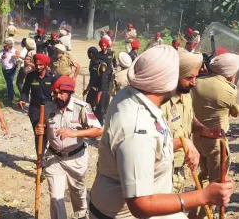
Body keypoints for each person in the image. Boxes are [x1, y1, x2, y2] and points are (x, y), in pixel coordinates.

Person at [89, 45, 234, 219]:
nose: (194, 82)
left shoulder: (134, 95)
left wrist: (192, 137)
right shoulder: (138, 129)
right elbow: (140, 205)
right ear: (171, 80)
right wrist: (204, 196)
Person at [35, 75, 103, 219]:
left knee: (78, 194)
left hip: (76, 159)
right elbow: (44, 130)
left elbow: (98, 130)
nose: (58, 96)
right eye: (55, 93)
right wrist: (40, 129)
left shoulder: (82, 107)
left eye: (61, 93)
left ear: (70, 93)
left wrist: (75, 133)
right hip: (54, 158)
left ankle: (81, 216)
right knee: (55, 197)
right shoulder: (47, 108)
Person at [161, 50, 220, 194]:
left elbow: (189, 120)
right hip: (162, 173)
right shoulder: (161, 103)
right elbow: (154, 146)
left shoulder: (186, 95)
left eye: (196, 77)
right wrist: (182, 142)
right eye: (189, 78)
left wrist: (205, 130)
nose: (194, 83)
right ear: (176, 75)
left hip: (179, 171)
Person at [191, 53, 239, 219]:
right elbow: (235, 112)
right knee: (217, 181)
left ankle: (194, 212)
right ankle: (206, 214)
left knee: (202, 176)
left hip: (197, 137)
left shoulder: (197, 82)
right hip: (216, 142)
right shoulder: (229, 91)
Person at [18, 54, 58, 157]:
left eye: (41, 65)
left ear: (45, 65)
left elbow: (59, 91)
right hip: (35, 109)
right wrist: (23, 99)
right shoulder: (31, 76)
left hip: (49, 110)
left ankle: (50, 156)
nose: (38, 67)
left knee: (50, 133)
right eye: (36, 64)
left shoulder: (52, 77)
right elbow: (25, 90)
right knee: (39, 133)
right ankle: (40, 159)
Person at [83, 47, 108, 125]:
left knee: (99, 111)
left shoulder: (101, 65)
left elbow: (103, 81)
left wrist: (99, 94)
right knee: (88, 107)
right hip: (92, 90)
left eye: (88, 53)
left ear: (91, 54)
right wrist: (87, 89)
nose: (87, 55)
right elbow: (92, 78)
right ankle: (90, 124)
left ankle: (99, 128)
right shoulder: (92, 63)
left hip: (100, 91)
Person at [0, 39, 19, 105]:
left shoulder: (14, 51)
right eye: (4, 46)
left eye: (5, 46)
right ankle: (12, 94)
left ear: (9, 46)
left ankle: (10, 98)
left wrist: (16, 57)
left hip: (12, 69)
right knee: (8, 82)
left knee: (9, 83)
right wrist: (2, 58)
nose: (4, 47)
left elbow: (19, 58)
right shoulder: (2, 51)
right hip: (4, 69)